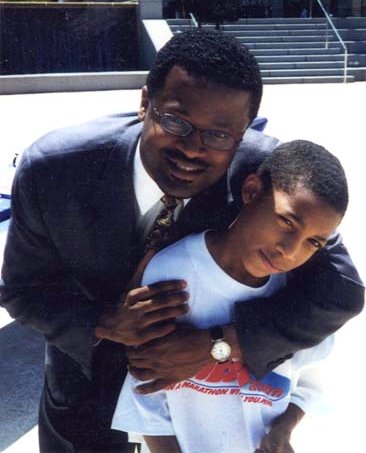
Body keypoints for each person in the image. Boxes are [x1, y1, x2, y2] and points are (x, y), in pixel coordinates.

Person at [0, 29, 363, 453]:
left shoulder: (265, 182)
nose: (192, 149)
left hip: (199, 402)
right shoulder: (54, 169)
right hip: (83, 378)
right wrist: (104, 321)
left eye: (219, 136)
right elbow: (22, 291)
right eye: (175, 122)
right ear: (143, 103)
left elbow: (343, 291)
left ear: (243, 135)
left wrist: (224, 344)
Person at [112, 140, 347, 453]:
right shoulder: (174, 272)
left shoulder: (301, 296)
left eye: (313, 242)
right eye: (286, 221)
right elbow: (146, 391)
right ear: (250, 191)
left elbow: (310, 378)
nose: (290, 251)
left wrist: (282, 429)